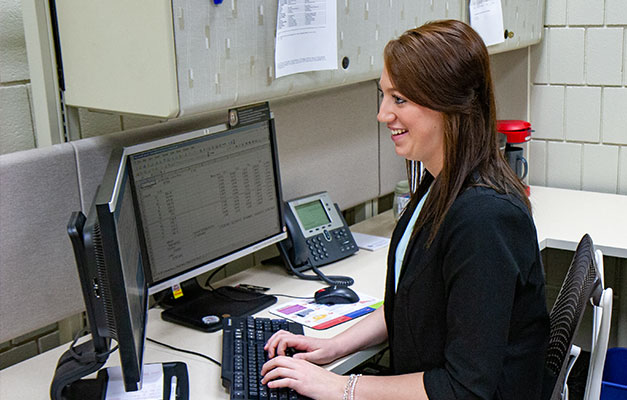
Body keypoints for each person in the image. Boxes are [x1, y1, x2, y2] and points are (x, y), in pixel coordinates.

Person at [261, 19, 549, 400]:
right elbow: (415, 303)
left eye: (399, 100)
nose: (383, 114)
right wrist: (333, 346)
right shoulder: (440, 182)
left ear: (450, 105)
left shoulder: (484, 219)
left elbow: (463, 389)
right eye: (384, 96)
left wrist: (342, 386)